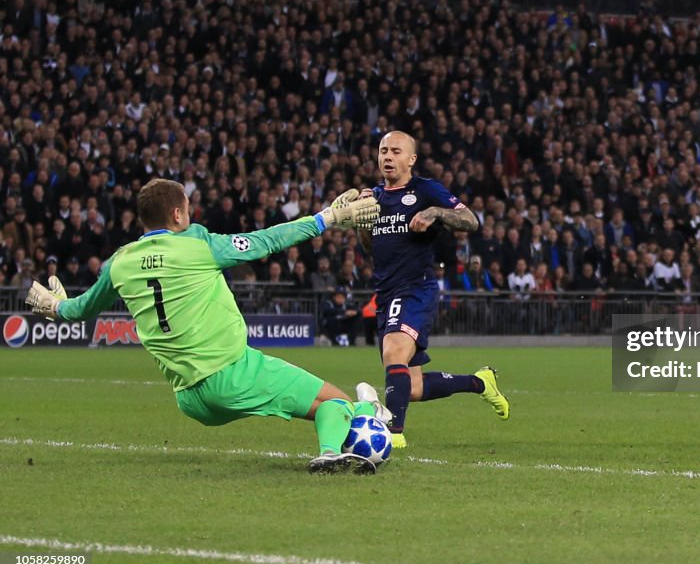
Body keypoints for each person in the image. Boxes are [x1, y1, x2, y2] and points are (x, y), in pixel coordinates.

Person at [25, 178, 387, 474]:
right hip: (232, 373)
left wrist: (54, 305)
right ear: (178, 213)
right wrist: (327, 218)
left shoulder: (119, 263)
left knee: (323, 403)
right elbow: (267, 240)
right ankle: (334, 448)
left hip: (190, 398)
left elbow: (81, 309)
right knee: (336, 401)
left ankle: (367, 413)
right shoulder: (199, 246)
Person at [354, 130, 509, 449]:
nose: (387, 156)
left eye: (395, 151)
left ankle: (393, 434)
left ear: (411, 159)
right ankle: (480, 383)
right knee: (408, 385)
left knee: (394, 352)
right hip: (385, 293)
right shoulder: (374, 197)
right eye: (383, 150)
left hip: (415, 288)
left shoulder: (424, 189)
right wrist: (360, 222)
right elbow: (371, 248)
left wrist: (436, 212)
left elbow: (471, 220)